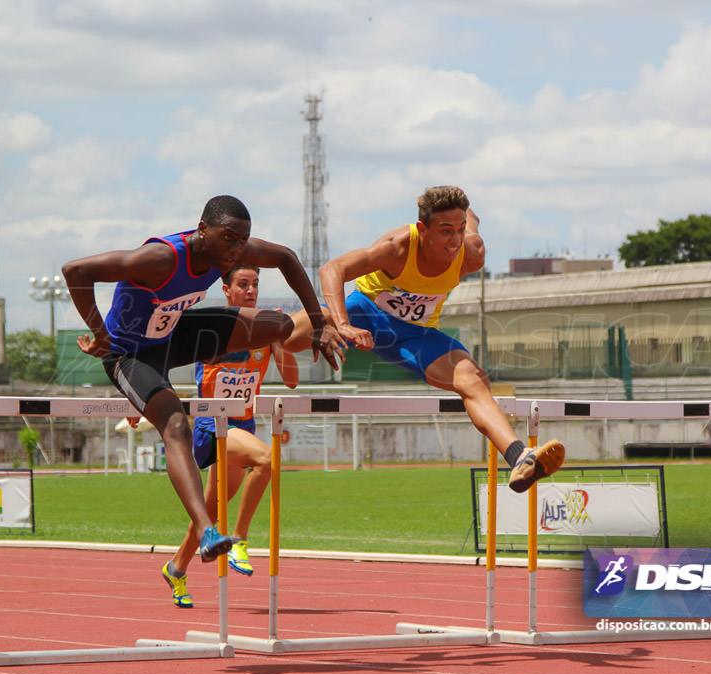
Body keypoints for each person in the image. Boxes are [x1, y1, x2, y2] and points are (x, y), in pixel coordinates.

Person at [63, 195, 343, 564]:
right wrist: (99, 334)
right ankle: (206, 529)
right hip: (129, 353)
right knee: (176, 421)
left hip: (173, 337)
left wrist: (319, 324)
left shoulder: (230, 251)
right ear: (203, 231)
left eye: (243, 240)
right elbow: (75, 271)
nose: (237, 249)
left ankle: (202, 365)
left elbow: (287, 258)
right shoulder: (162, 258)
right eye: (229, 238)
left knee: (279, 325)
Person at [288, 185, 564, 491]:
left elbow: (471, 222)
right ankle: (273, 335)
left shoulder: (470, 255)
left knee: (473, 379)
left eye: (459, 229)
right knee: (311, 322)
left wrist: (466, 220)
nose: (455, 240)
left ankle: (519, 458)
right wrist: (342, 323)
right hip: (366, 312)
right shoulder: (397, 247)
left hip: (415, 336)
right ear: (423, 229)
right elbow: (333, 268)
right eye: (446, 231)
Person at [161, 265, 296, 608]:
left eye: (255, 284)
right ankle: (240, 541)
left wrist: (282, 337)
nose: (250, 290)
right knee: (267, 459)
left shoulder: (266, 327)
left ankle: (176, 568)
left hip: (242, 426)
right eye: (242, 284)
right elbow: (162, 357)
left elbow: (292, 380)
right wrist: (143, 401)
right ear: (226, 289)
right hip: (211, 427)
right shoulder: (210, 327)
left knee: (208, 514)